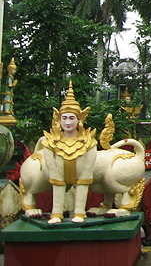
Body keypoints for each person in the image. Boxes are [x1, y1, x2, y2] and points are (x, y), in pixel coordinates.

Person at [39, 85, 98, 223]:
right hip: (58, 174)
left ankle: (79, 212)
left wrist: (85, 174)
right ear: (58, 120)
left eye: (72, 118)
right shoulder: (50, 142)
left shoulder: (89, 142)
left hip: (81, 175)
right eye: (64, 118)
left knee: (83, 182)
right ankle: (56, 213)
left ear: (79, 120)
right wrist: (55, 174)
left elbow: (88, 168)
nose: (68, 122)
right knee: (57, 183)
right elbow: (51, 166)